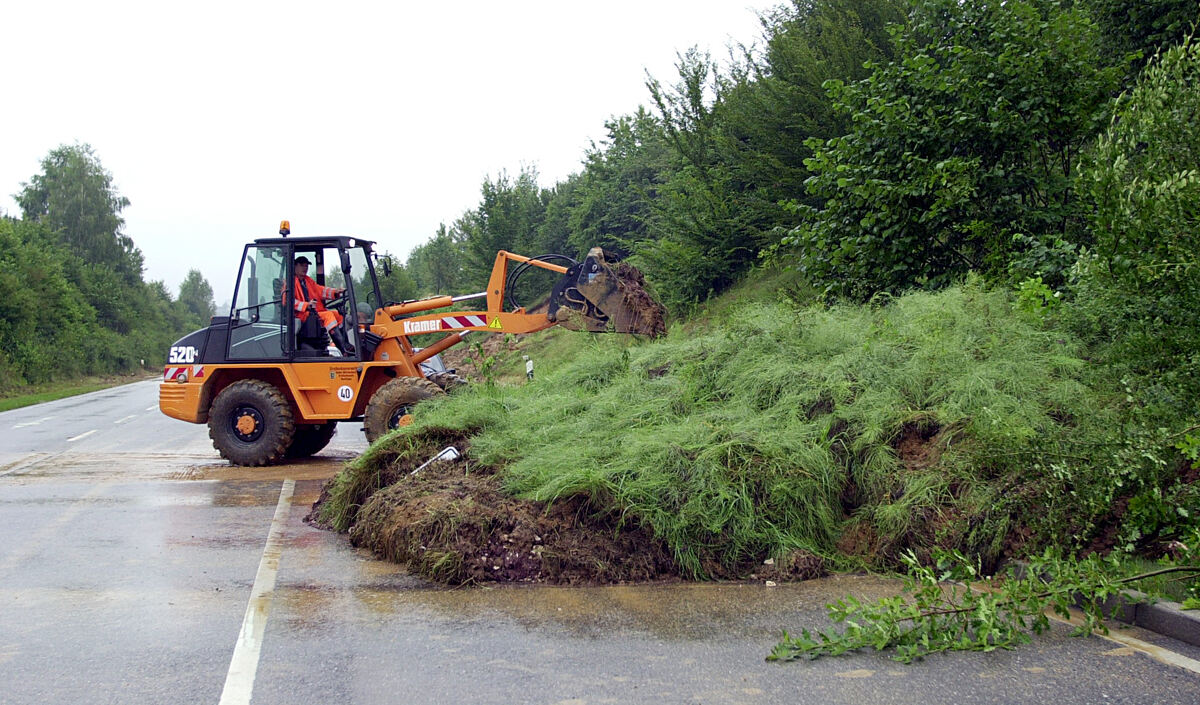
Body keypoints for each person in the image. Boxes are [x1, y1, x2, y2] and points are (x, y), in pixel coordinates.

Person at [290, 256, 355, 354]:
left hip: (312, 313)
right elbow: (288, 301)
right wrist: (306, 305)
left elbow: (321, 290)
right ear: (295, 266)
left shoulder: (308, 281)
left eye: (306, 266)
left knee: (337, 315)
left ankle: (346, 344)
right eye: (302, 265)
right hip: (301, 315)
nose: (305, 268)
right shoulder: (290, 282)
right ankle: (343, 348)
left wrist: (336, 292)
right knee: (328, 315)